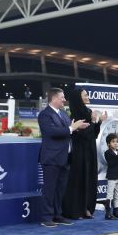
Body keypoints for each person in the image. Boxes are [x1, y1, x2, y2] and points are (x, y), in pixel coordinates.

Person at [37, 87, 89, 227]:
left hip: (65, 158)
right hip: (51, 158)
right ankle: (46, 217)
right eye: (62, 98)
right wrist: (72, 128)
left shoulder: (64, 114)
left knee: (60, 189)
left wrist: (77, 128)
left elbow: (67, 131)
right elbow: (51, 132)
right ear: (54, 98)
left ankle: (57, 215)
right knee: (50, 189)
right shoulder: (45, 115)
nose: (64, 100)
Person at [62, 87, 106, 219]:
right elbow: (83, 135)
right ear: (78, 98)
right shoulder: (75, 114)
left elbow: (94, 134)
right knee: (79, 180)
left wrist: (99, 122)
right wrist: (94, 121)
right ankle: (76, 210)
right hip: (79, 152)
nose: (88, 97)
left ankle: (87, 208)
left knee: (89, 179)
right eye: (85, 95)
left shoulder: (88, 111)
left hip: (90, 150)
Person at [103, 133, 118, 220]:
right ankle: (108, 213)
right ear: (108, 144)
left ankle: (116, 212)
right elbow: (111, 163)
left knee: (117, 195)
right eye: (113, 142)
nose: (116, 143)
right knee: (109, 195)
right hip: (112, 177)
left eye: (117, 142)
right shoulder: (107, 152)